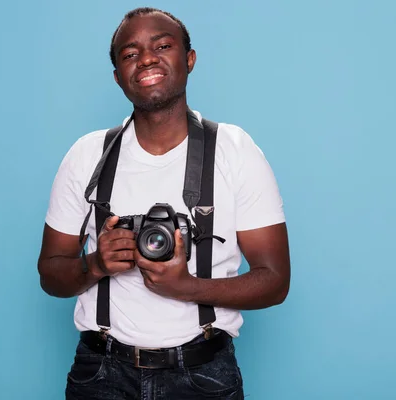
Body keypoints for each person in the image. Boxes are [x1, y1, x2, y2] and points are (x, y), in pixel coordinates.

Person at [38, 7, 290, 399]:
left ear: (189, 59)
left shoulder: (235, 151)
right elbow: (50, 274)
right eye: (130, 54)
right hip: (101, 372)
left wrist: (187, 286)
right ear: (119, 76)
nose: (147, 59)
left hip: (203, 373)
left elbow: (275, 281)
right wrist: (96, 264)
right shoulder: (87, 155)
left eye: (163, 45)